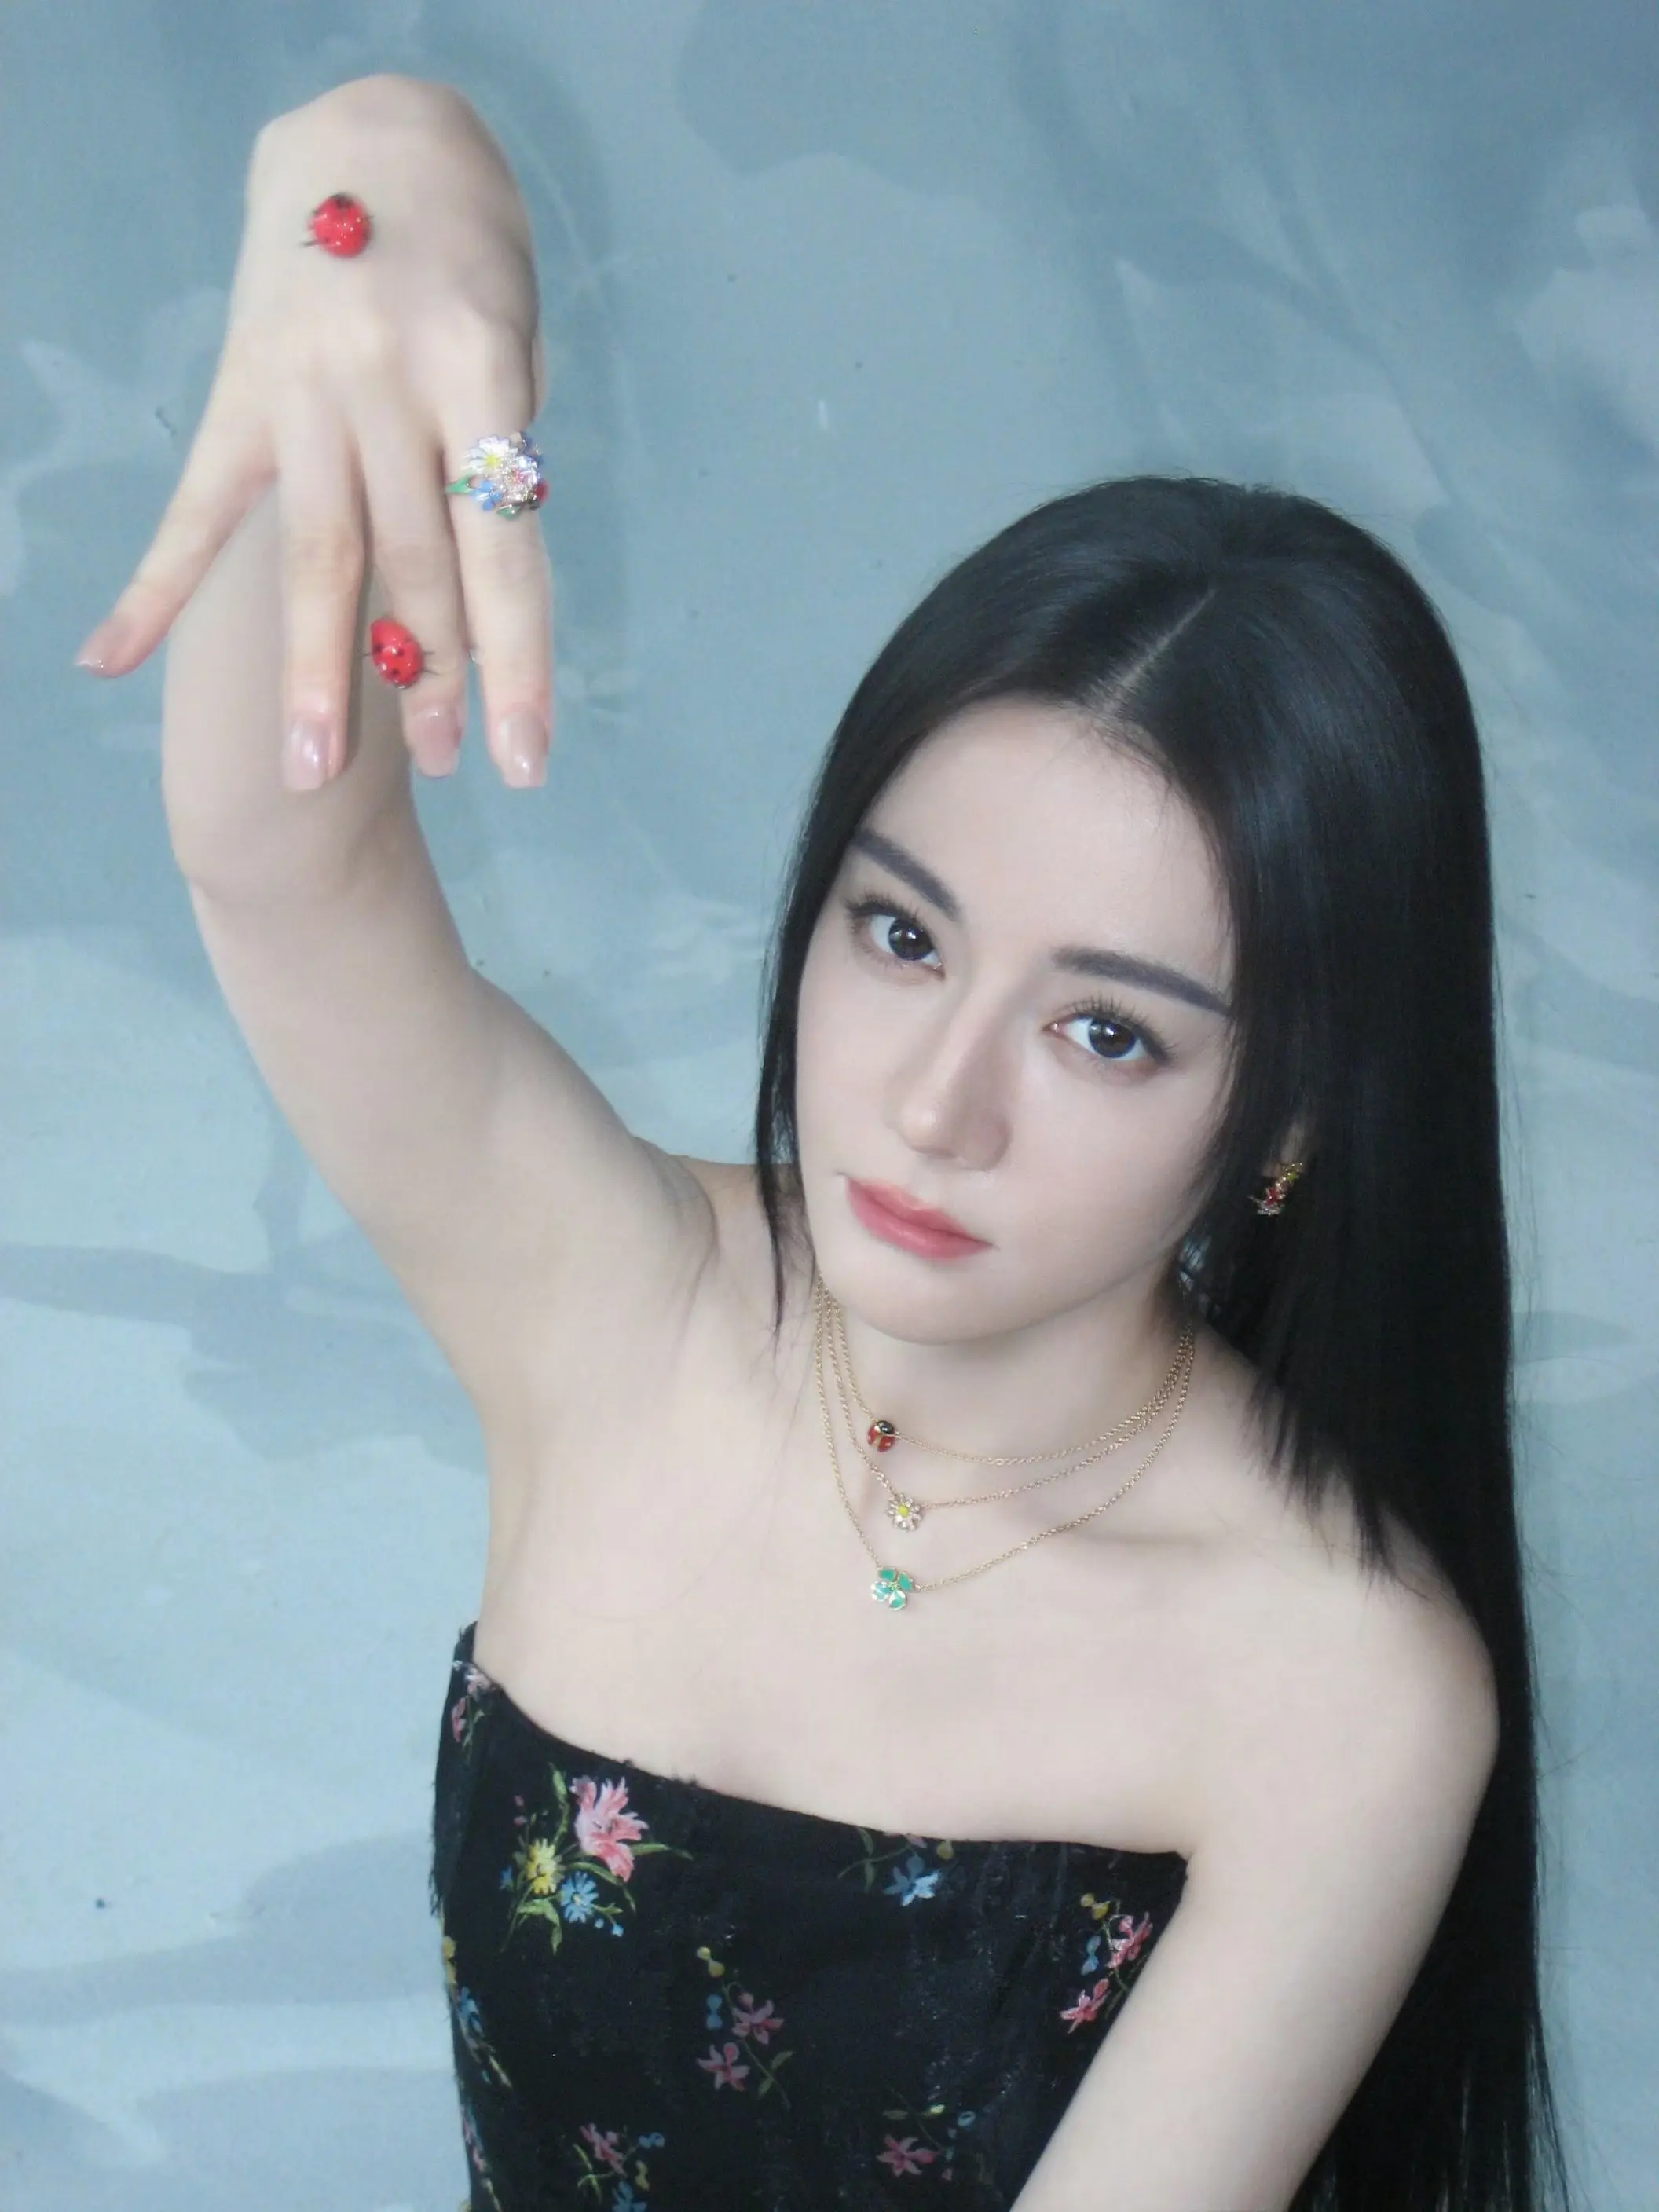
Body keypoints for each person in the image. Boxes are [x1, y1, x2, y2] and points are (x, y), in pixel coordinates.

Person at [79, 74, 1571, 2212]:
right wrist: (382, 180)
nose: (938, 1103)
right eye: (901, 935)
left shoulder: (1332, 1683)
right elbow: (276, 854)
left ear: (1297, 1112)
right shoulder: (614, 1305)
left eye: (1105, 1033)